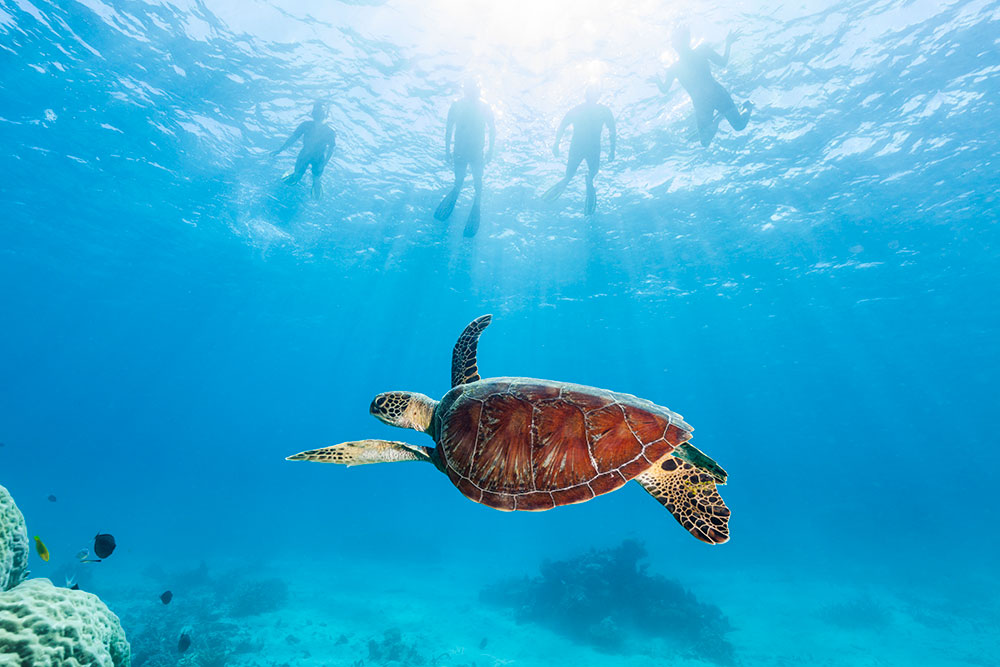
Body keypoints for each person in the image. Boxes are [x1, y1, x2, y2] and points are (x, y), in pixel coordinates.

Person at [651, 27, 753, 147]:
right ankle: (719, 118)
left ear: (685, 41)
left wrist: (728, 44)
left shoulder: (702, 51)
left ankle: (748, 105)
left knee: (739, 126)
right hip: (701, 104)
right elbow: (664, 89)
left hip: (717, 94)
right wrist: (658, 82)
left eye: (676, 41)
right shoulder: (674, 68)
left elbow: (723, 62)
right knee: (705, 143)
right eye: (674, 42)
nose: (674, 45)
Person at [434, 79, 496, 237]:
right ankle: (472, 198)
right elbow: (449, 128)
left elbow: (492, 129)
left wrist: (490, 150)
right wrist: (447, 150)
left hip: (471, 152)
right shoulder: (459, 105)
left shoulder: (481, 106)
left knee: (474, 182)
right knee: (467, 181)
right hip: (466, 152)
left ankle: (474, 199)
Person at [542, 86, 616, 215]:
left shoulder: (581, 110)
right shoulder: (603, 111)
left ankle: (586, 181)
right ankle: (588, 181)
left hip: (580, 146)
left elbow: (563, 125)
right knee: (588, 174)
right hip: (591, 147)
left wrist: (557, 143)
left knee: (572, 175)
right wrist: (612, 150)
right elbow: (612, 131)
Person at [272, 101, 337, 199]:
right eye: (316, 112)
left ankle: (313, 182)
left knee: (315, 180)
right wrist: (280, 149)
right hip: (306, 156)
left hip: (318, 159)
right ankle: (299, 176)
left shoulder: (329, 131)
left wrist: (324, 164)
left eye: (319, 112)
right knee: (298, 177)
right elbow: (293, 138)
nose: (317, 115)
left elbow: (331, 149)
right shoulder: (306, 125)